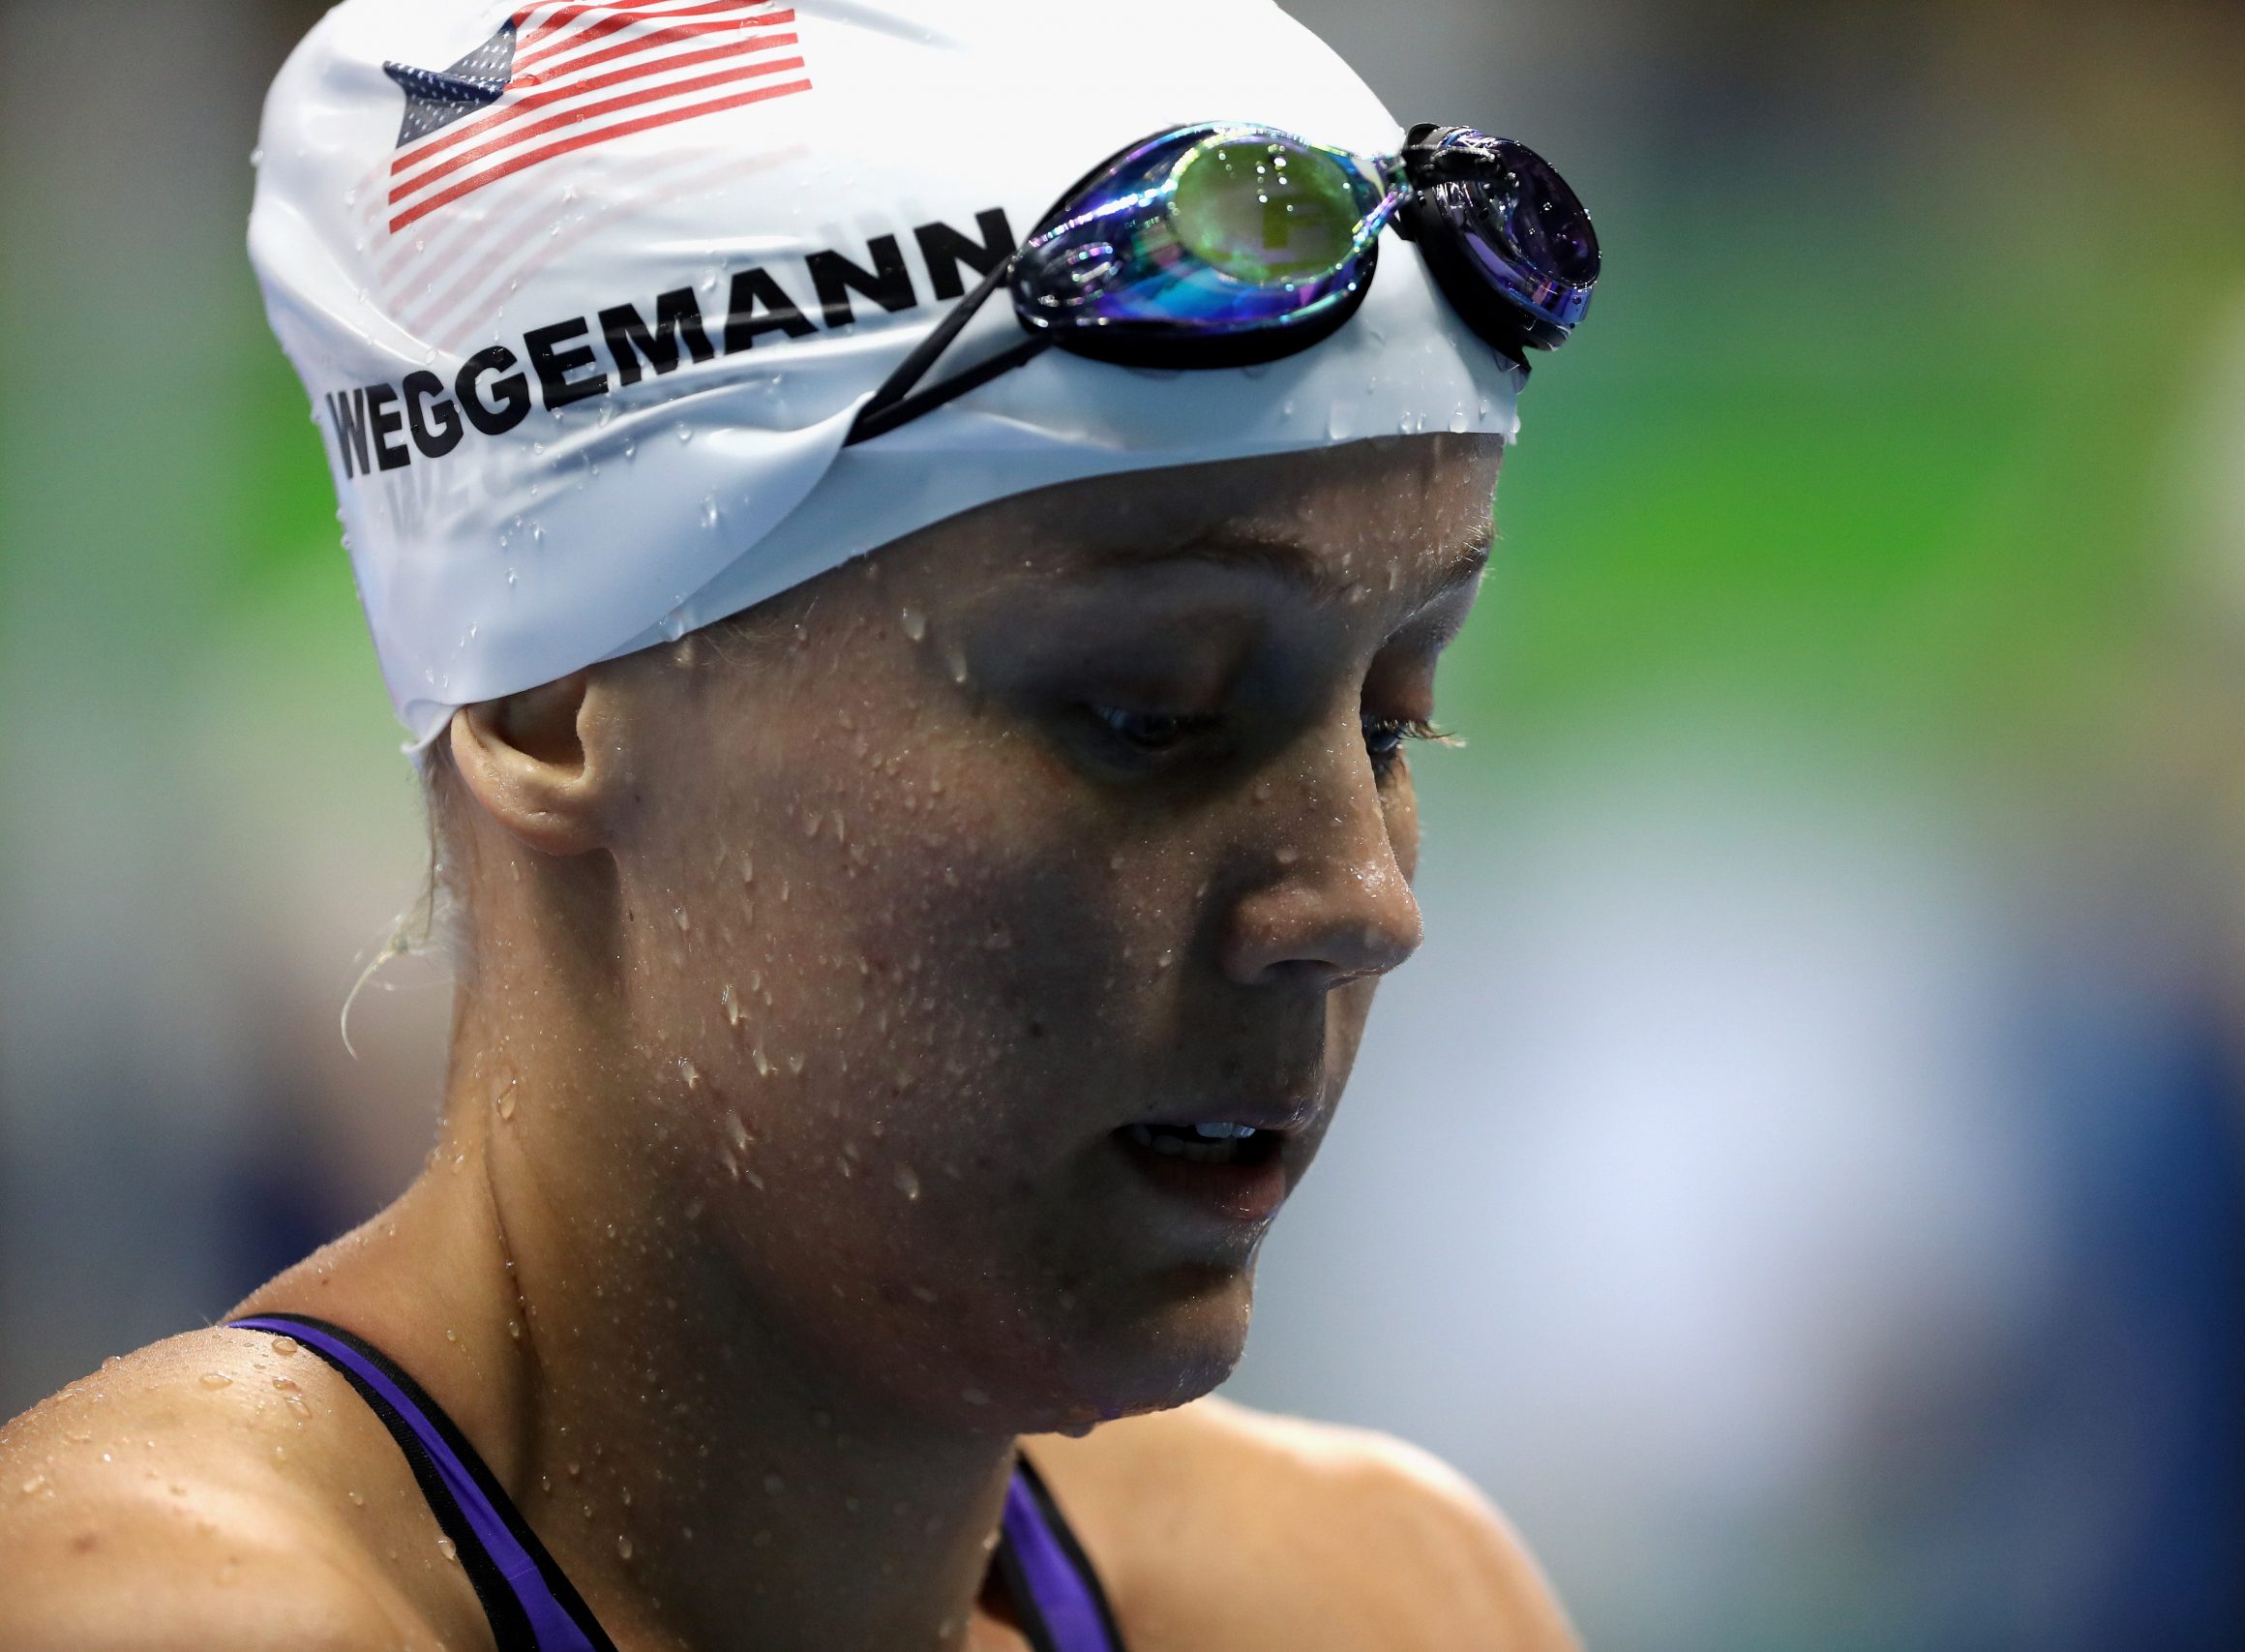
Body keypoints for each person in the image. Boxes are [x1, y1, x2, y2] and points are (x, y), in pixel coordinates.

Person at [0, 1, 1597, 1646]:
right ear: (550, 698)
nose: (1359, 897)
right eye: (1148, 716)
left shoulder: (1378, 1602)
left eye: (1391, 715)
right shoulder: (155, 1613)